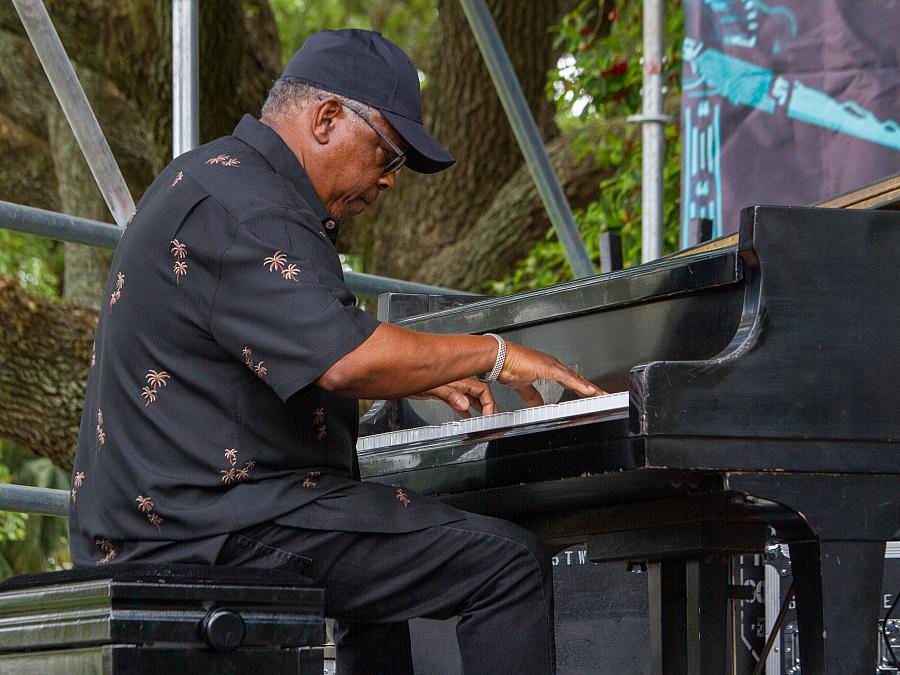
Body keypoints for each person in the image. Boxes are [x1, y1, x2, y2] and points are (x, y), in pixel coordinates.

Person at [69, 29, 603, 673]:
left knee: (371, 544)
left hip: (183, 520)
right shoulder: (249, 208)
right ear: (327, 117)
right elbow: (349, 359)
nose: (388, 181)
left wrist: (413, 375)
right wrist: (491, 354)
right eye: (388, 155)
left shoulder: (216, 179)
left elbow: (300, 349)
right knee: (506, 565)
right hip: (215, 529)